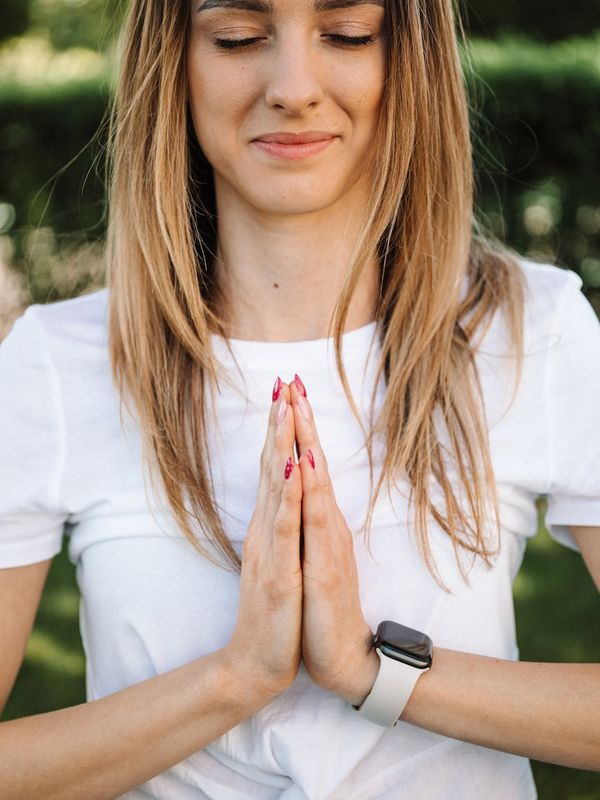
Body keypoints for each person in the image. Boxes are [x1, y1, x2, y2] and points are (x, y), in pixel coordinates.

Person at [0, 0, 599, 797]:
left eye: (348, 34)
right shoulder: (53, 361)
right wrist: (237, 678)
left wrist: (368, 669)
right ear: (171, 61)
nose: (294, 87)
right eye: (238, 38)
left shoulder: (534, 327)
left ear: (409, 59)